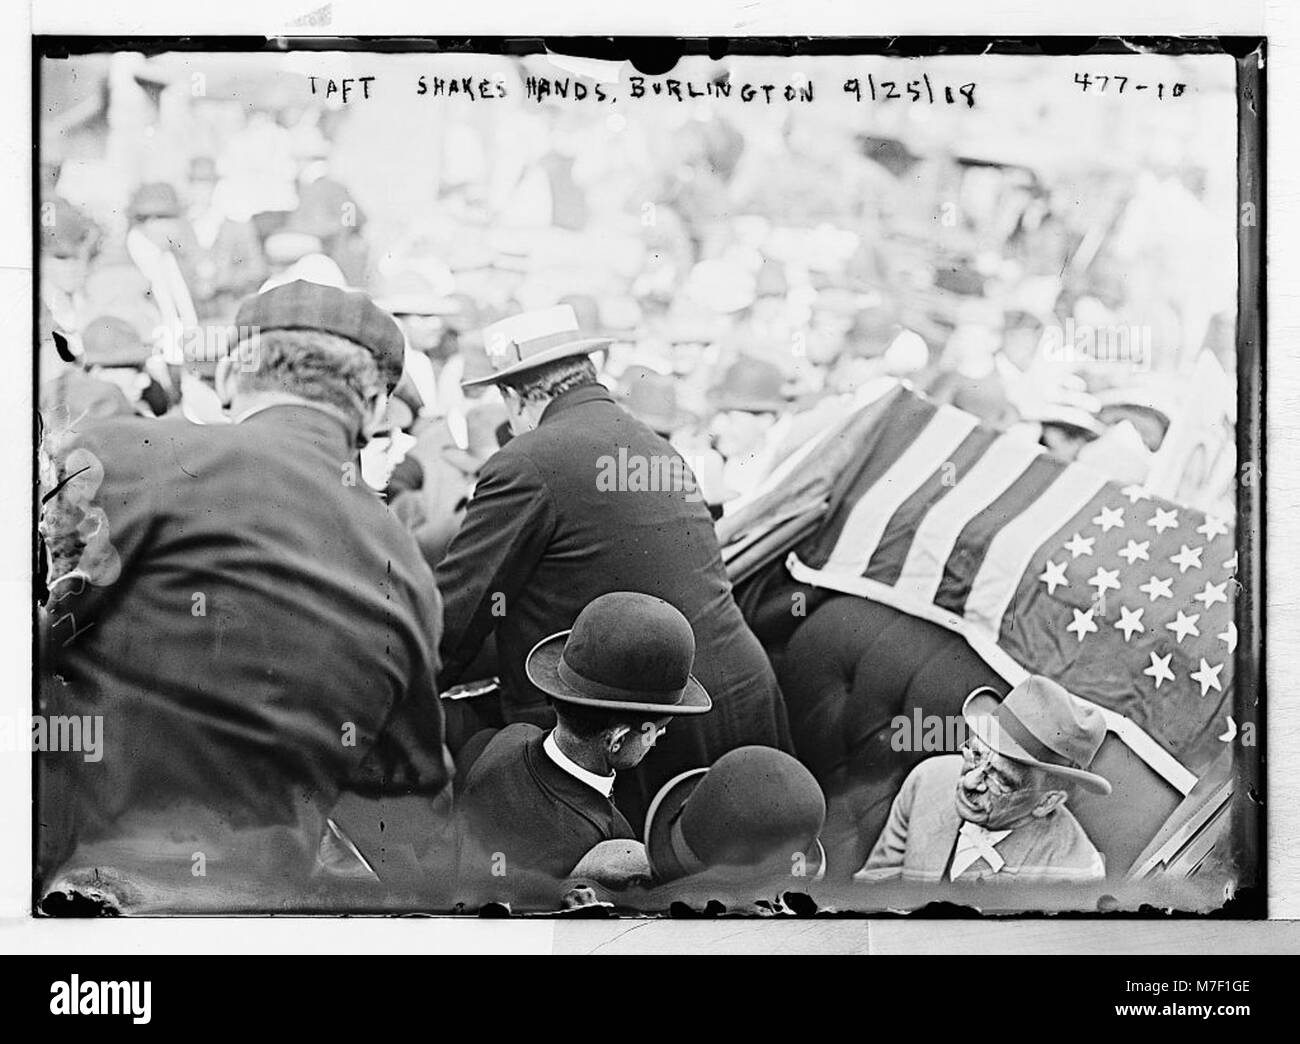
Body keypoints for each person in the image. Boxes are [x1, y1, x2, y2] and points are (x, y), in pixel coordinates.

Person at [38, 280, 455, 911]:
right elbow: (412, 802)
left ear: (233, 375)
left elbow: (39, 637)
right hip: (257, 910)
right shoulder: (407, 573)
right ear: (373, 409)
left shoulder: (128, 454)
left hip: (75, 890)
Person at [435, 305, 792, 828]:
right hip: (737, 701)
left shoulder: (526, 461)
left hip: (642, 727)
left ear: (515, 397)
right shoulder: (659, 449)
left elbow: (456, 616)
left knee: (629, 892)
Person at [456, 592, 711, 901]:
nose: (661, 735)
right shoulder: (610, 836)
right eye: (657, 728)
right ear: (616, 740)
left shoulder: (506, 739)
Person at [855, 676, 1110, 886]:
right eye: (975, 754)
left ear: (1047, 801)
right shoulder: (929, 779)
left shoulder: (1074, 877)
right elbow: (872, 891)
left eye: (1000, 778)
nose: (969, 782)